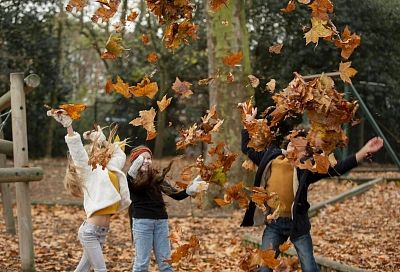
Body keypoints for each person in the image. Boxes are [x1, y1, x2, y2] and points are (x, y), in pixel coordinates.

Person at [239, 105, 384, 272]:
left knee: (309, 267)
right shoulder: (271, 157)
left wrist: (364, 151)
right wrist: (248, 123)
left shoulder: (306, 169)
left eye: (303, 149)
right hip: (274, 224)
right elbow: (247, 148)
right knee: (264, 268)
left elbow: (337, 169)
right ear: (289, 143)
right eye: (295, 145)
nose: (298, 151)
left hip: (298, 225)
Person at [47, 109, 131, 272]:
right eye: (96, 150)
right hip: (90, 232)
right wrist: (69, 126)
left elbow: (120, 154)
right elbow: (77, 151)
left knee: (82, 269)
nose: (100, 152)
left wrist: (101, 139)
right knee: (101, 269)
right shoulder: (88, 172)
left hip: (101, 232)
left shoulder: (110, 169)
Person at [126, 146, 208, 272]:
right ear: (135, 162)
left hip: (161, 223)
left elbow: (176, 195)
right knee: (141, 264)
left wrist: (190, 190)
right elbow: (130, 180)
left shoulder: (156, 178)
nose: (147, 161)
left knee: (166, 264)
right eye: (142, 158)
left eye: (149, 158)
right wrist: (132, 171)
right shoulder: (132, 179)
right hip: (142, 224)